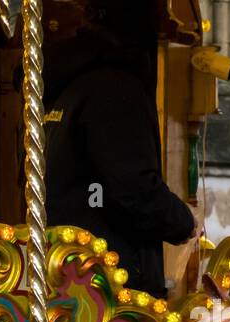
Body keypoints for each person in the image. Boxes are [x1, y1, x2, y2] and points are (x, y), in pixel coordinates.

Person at [44, 7, 199, 298]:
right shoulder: (115, 91)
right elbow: (134, 190)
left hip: (70, 273)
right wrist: (185, 221)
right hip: (111, 285)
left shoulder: (71, 86)